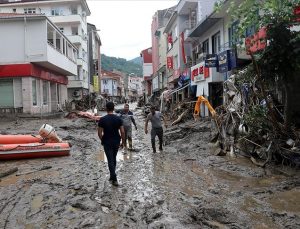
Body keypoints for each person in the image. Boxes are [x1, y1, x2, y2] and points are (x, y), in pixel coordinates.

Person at [98, 102, 125, 186]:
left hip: (107, 142)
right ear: (113, 108)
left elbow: (99, 133)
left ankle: (114, 178)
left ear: (106, 108)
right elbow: (123, 132)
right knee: (113, 158)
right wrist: (123, 142)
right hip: (116, 141)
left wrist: (103, 140)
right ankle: (112, 176)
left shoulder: (102, 119)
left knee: (110, 159)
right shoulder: (118, 119)